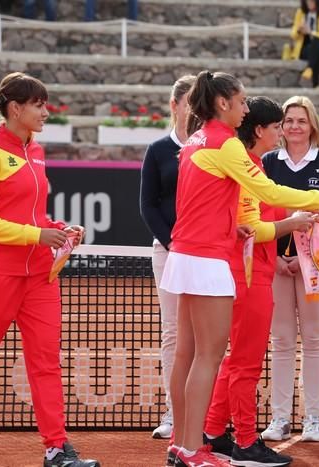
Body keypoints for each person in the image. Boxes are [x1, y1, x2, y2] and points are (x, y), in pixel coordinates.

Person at [160, 71, 319, 467]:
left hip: (184, 252)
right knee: (209, 358)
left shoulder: (194, 139)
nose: (246, 109)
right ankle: (193, 449)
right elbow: (269, 192)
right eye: (243, 101)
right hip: (210, 257)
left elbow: (206, 200)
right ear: (223, 103)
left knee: (187, 354)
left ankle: (183, 444)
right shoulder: (226, 144)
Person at [203, 96, 319, 467]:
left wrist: (304, 211)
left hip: (254, 274)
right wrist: (297, 220)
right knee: (246, 364)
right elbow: (253, 228)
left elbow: (266, 208)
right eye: (276, 127)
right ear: (259, 130)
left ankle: (212, 430)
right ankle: (246, 443)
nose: (282, 133)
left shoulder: (252, 165)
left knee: (235, 361)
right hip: (248, 276)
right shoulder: (246, 168)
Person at [0, 72, 98, 467]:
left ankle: (57, 449)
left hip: (40, 277)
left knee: (46, 363)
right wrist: (33, 234)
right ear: (15, 108)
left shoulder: (35, 151)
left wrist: (55, 228)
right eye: (38, 104)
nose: (46, 111)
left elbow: (33, 214)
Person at [260, 95, 319, 443]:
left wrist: (305, 256)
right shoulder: (267, 161)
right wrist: (278, 256)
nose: (294, 126)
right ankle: (279, 418)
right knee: (280, 341)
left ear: (313, 125)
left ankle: (313, 419)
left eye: (301, 120)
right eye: (288, 120)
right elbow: (261, 214)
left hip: (316, 266)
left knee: (313, 338)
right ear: (280, 127)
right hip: (276, 265)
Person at [139, 74, 196, 440]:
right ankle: (175, 414)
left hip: (207, 255)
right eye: (189, 102)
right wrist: (173, 243)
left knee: (207, 338)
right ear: (174, 105)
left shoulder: (213, 148)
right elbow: (148, 205)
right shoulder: (158, 150)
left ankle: (205, 416)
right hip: (170, 252)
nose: (195, 110)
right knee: (173, 332)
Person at [290, 0, 319, 88]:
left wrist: (311, 32)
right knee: (316, 52)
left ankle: (309, 68)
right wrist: (299, 30)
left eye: (312, 1)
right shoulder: (300, 13)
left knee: (317, 42)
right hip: (305, 49)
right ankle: (315, 84)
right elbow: (293, 35)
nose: (309, 3)